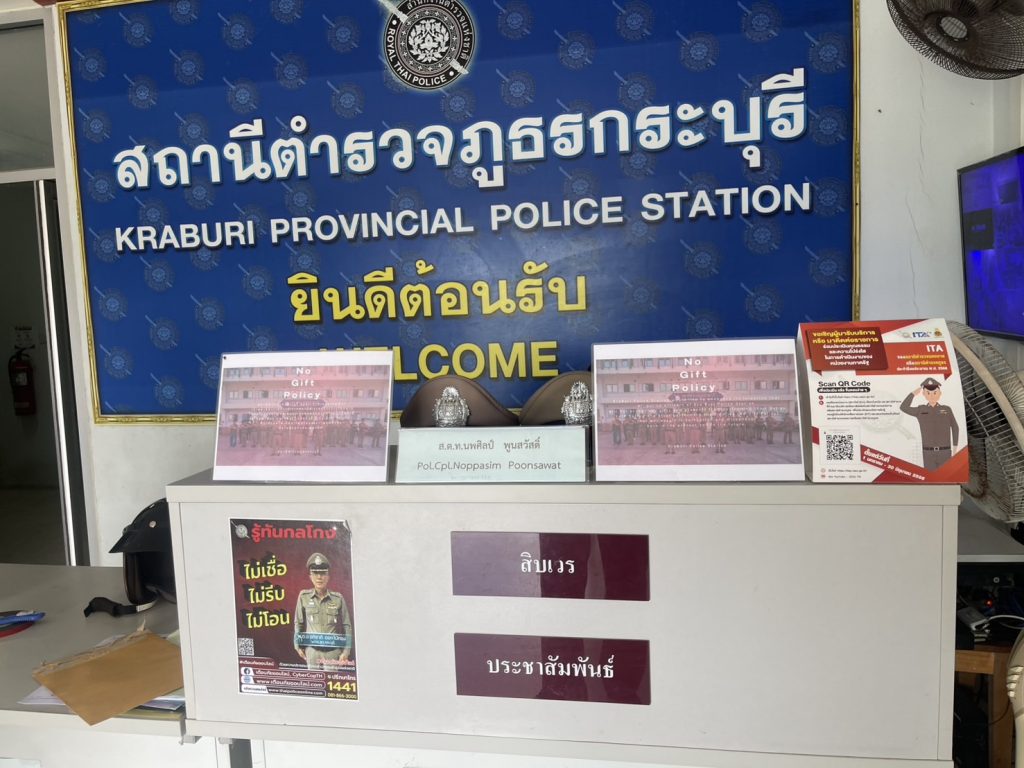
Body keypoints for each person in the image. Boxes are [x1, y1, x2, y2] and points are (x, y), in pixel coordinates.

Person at [293, 552, 352, 669]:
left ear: (328, 576)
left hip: (332, 652)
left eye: (323, 573)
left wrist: (346, 651)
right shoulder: (304, 596)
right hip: (311, 651)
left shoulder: (338, 598)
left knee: (330, 679)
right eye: (315, 573)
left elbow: (347, 626)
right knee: (314, 680)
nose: (319, 577)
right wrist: (297, 645)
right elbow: (298, 622)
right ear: (310, 576)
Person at [899, 377, 960, 471]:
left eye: (935, 393)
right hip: (928, 453)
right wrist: (913, 394)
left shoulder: (946, 409)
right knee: (930, 477)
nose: (932, 396)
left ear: (940, 393)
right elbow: (903, 407)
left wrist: (955, 449)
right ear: (923, 394)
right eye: (928, 393)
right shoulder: (920, 409)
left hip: (945, 452)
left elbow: (955, 427)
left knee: (946, 477)